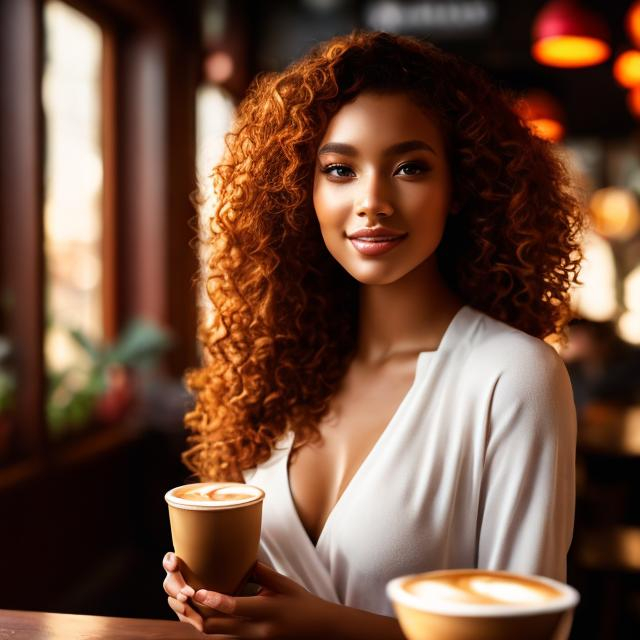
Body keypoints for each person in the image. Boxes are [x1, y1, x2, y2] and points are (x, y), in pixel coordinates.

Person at [162, 30, 583, 638]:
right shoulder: (277, 370)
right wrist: (206, 596)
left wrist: (327, 628)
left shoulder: (513, 377)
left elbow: (529, 633)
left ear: (460, 186)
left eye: (410, 167)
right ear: (299, 192)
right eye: (339, 169)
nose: (372, 201)